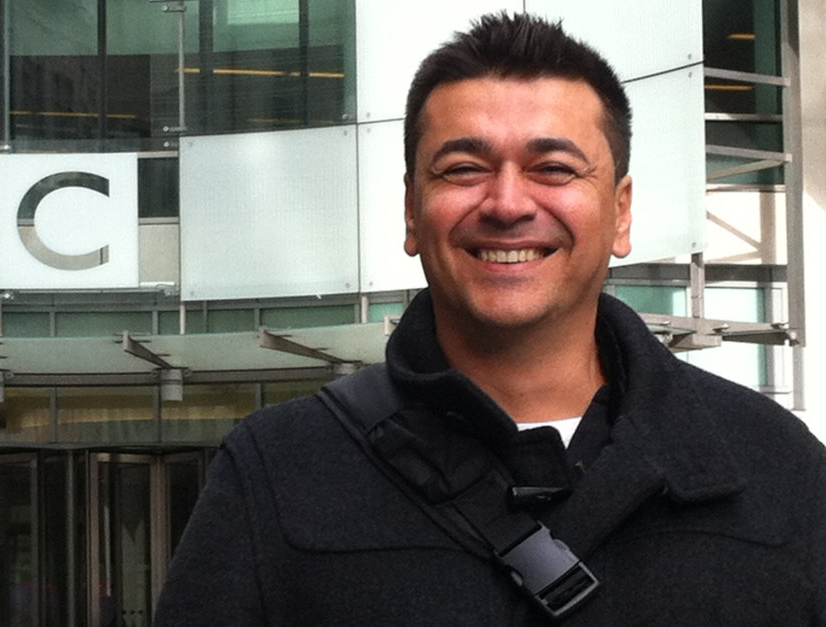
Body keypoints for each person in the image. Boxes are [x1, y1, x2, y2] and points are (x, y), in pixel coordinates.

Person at [155, 12, 826, 626]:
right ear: (412, 212)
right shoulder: (277, 471)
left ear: (620, 213)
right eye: (464, 168)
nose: (507, 203)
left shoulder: (779, 466)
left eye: (553, 168)